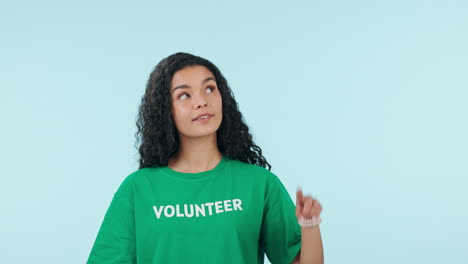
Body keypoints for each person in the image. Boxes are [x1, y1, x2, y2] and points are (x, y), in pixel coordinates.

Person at [86, 52, 323, 264]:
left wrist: (310, 225)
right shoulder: (137, 189)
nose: (201, 101)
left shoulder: (259, 184)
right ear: (165, 110)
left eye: (209, 89)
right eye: (184, 95)